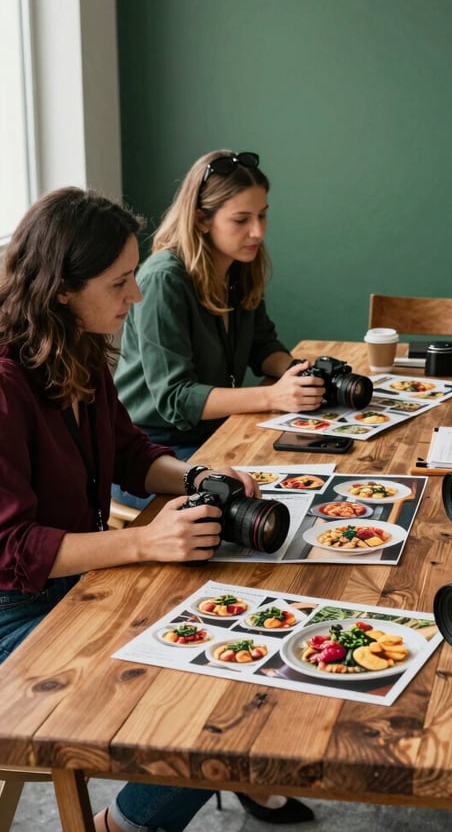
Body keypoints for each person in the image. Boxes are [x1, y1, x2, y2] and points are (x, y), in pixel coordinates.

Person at [0, 188, 313, 830]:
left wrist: (198, 475)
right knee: (206, 688)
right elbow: (10, 550)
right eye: (119, 283)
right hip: (16, 614)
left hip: (81, 582)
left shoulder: (78, 346)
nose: (135, 295)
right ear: (62, 289)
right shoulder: (5, 385)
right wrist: (143, 543)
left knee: (249, 639)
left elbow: (129, 452)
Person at [114, 149, 324, 463]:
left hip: (218, 429)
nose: (258, 232)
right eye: (241, 220)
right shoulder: (163, 280)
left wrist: (301, 373)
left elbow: (262, 346)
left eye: (262, 215)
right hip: (152, 447)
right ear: (201, 219)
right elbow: (176, 397)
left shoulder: (241, 266)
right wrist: (273, 396)